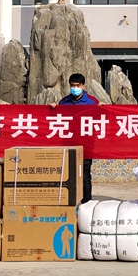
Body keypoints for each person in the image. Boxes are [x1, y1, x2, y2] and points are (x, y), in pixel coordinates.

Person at [50, 73, 100, 203]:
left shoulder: (92, 102)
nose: (75, 88)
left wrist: (103, 109)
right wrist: (53, 109)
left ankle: (87, 203)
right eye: (73, 85)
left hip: (86, 144)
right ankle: (70, 201)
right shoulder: (63, 102)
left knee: (85, 176)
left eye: (78, 85)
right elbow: (57, 120)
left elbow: (100, 120)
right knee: (68, 174)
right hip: (68, 142)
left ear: (83, 86)